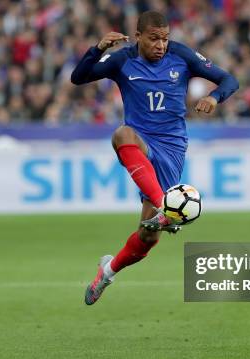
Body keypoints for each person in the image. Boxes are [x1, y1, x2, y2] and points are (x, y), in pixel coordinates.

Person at [71, 11, 239, 305]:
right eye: (154, 39)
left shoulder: (181, 56)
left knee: (147, 238)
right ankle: (165, 206)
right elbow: (79, 77)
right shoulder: (123, 60)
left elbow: (228, 79)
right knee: (122, 134)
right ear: (138, 37)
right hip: (141, 141)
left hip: (172, 147)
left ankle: (107, 272)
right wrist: (97, 50)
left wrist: (214, 97)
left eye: (164, 39)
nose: (161, 45)